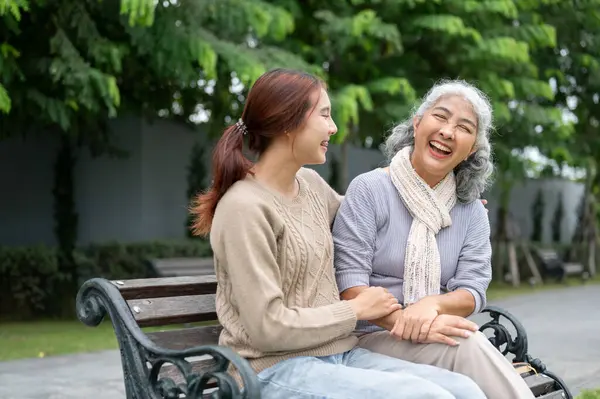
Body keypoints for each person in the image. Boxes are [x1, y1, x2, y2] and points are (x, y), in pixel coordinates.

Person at [190, 69, 487, 399]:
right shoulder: (244, 208)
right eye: (325, 115)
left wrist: (441, 203)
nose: (333, 127)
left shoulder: (311, 187)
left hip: (337, 357)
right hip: (272, 369)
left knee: (463, 390)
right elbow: (266, 328)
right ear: (289, 123)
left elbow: (375, 209)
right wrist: (357, 310)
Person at [332, 80, 535, 399]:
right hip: (367, 339)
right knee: (467, 343)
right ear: (417, 123)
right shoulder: (370, 190)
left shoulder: (471, 212)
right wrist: (404, 319)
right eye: (440, 117)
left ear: (471, 149)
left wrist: (432, 305)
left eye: (464, 127)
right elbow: (350, 285)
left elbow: (472, 290)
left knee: (466, 345)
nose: (448, 131)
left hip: (432, 335)